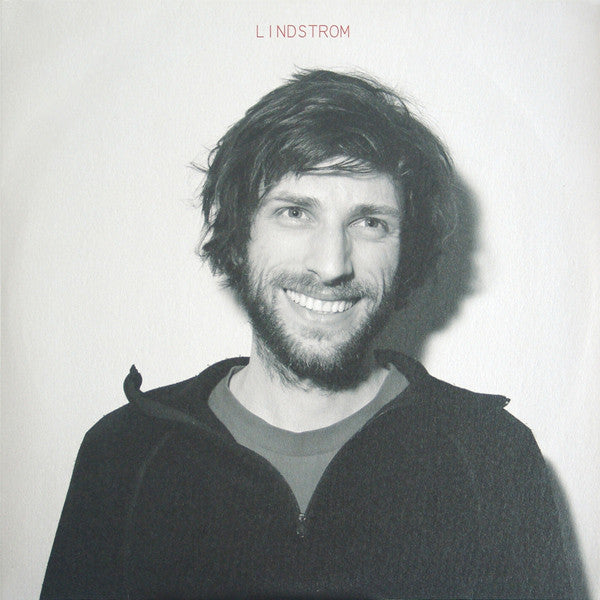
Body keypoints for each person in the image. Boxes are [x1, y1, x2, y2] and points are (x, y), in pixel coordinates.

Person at [41, 70, 571, 599]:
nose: (331, 264)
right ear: (239, 234)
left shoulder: (493, 457)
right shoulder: (123, 454)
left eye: (370, 223)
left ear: (406, 250)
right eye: (295, 213)